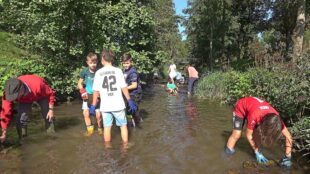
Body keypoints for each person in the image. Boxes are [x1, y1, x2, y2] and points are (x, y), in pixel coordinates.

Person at [224, 97, 293, 167]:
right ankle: (228, 152)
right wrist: (257, 152)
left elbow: (288, 136)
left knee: (258, 135)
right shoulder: (255, 115)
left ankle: (254, 151)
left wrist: (288, 157)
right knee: (237, 134)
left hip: (256, 109)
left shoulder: (277, 120)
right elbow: (248, 135)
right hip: (241, 107)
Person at [90, 49, 137, 147]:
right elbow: (123, 87)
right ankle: (125, 146)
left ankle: (108, 148)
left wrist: (93, 105)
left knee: (107, 127)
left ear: (103, 58)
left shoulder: (98, 73)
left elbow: (95, 91)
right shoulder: (118, 71)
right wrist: (129, 100)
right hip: (118, 105)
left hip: (105, 106)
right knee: (123, 126)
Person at [0, 75, 56, 142]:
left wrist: (51, 110)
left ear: (21, 89)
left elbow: (50, 94)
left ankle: (52, 137)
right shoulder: (8, 92)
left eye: (14, 96)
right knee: (21, 120)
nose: (13, 99)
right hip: (24, 100)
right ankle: (23, 140)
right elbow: (5, 113)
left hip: (41, 95)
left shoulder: (38, 85)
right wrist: (4, 133)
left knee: (48, 116)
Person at [77, 52, 102, 136]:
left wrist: (100, 93)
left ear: (97, 62)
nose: (93, 65)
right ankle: (90, 130)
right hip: (87, 95)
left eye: (94, 63)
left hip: (97, 95)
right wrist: (82, 91)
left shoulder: (99, 71)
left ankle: (100, 129)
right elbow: (79, 83)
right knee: (85, 113)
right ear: (87, 62)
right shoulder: (85, 71)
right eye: (91, 63)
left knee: (98, 115)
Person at [121, 53, 143, 125]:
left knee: (133, 110)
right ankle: (133, 122)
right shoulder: (124, 71)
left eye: (127, 63)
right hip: (129, 93)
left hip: (135, 94)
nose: (125, 65)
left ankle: (138, 123)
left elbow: (134, 85)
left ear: (131, 62)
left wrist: (123, 88)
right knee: (129, 110)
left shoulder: (133, 72)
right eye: (124, 63)